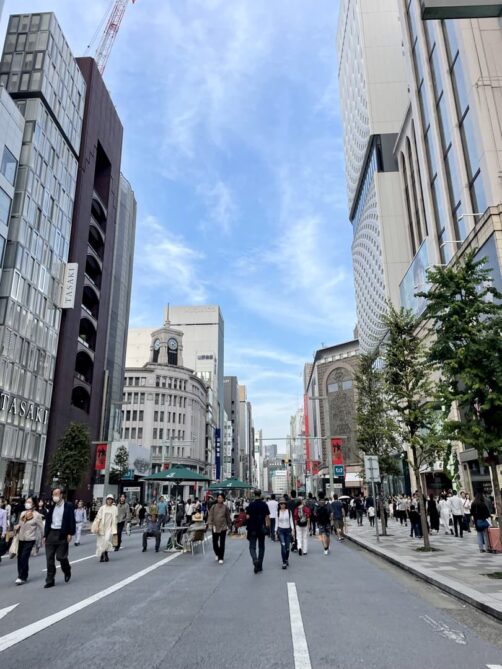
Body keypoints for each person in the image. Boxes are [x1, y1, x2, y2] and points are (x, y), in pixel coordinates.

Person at [43, 486, 75, 588]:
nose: (54, 496)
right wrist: (45, 535)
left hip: (62, 533)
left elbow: (71, 519)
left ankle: (67, 570)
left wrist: (70, 533)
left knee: (61, 557)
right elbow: (48, 522)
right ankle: (50, 579)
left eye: (56, 494)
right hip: (51, 534)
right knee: (49, 558)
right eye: (53, 494)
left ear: (61, 495)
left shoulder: (68, 506)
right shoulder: (52, 507)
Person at [15, 495, 44, 585]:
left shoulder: (37, 515)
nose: (27, 503)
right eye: (26, 502)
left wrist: (43, 538)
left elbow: (41, 528)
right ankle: (22, 574)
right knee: (20, 557)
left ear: (34, 504)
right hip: (21, 538)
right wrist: (17, 527)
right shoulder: (23, 513)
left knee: (24, 557)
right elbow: (20, 524)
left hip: (30, 539)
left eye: (29, 502)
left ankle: (22, 577)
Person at [245, 489, 270, 573]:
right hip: (261, 528)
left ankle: (255, 559)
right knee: (261, 547)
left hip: (252, 528)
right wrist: (268, 527)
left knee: (252, 547)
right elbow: (267, 517)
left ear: (254, 495)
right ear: (260, 494)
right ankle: (259, 565)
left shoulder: (251, 505)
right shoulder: (264, 504)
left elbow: (247, 517)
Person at [93, 494, 118, 562]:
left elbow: (115, 519)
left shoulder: (114, 508)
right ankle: (102, 555)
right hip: (101, 527)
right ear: (106, 500)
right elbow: (98, 517)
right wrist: (96, 526)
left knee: (106, 541)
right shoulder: (102, 508)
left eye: (111, 499)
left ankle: (106, 554)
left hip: (109, 527)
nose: (109, 500)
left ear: (112, 500)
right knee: (101, 542)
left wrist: (114, 529)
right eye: (108, 499)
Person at [208, 493, 231, 564]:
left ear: (223, 499)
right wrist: (210, 523)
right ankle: (217, 553)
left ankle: (221, 557)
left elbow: (228, 517)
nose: (219, 499)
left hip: (223, 527)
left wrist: (229, 525)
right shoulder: (213, 506)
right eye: (218, 498)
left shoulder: (225, 507)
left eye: (221, 498)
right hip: (215, 526)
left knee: (222, 543)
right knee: (214, 542)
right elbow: (210, 515)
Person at [277, 498, 294, 569]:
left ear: (285, 504)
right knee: (283, 546)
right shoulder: (278, 512)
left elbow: (291, 521)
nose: (282, 505)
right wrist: (275, 531)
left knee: (287, 548)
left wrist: (293, 530)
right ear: (279, 505)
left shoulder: (289, 511)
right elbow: (276, 522)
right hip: (280, 530)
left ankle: (286, 559)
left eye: (284, 503)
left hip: (288, 530)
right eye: (281, 504)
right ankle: (284, 562)